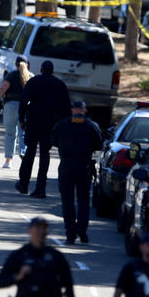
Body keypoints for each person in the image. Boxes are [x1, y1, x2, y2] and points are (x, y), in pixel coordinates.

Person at [51, 100, 103, 244]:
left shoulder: (62, 124)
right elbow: (99, 145)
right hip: (84, 165)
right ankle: (82, 229)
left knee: (67, 201)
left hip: (66, 164)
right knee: (83, 200)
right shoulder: (92, 126)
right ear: (84, 111)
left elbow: (53, 141)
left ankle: (70, 233)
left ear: (73, 110)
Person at [17, 60, 71, 198]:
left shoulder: (34, 82)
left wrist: (22, 119)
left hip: (34, 121)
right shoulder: (60, 85)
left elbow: (23, 101)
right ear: (52, 71)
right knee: (44, 155)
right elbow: (66, 109)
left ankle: (23, 184)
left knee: (30, 152)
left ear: (41, 69)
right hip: (51, 124)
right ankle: (41, 188)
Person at [0, 55, 30, 169]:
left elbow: (3, 87)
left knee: (10, 134)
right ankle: (23, 155)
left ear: (15, 64)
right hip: (25, 108)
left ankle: (8, 161)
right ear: (27, 65)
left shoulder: (11, 75)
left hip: (10, 106)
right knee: (23, 133)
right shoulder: (31, 77)